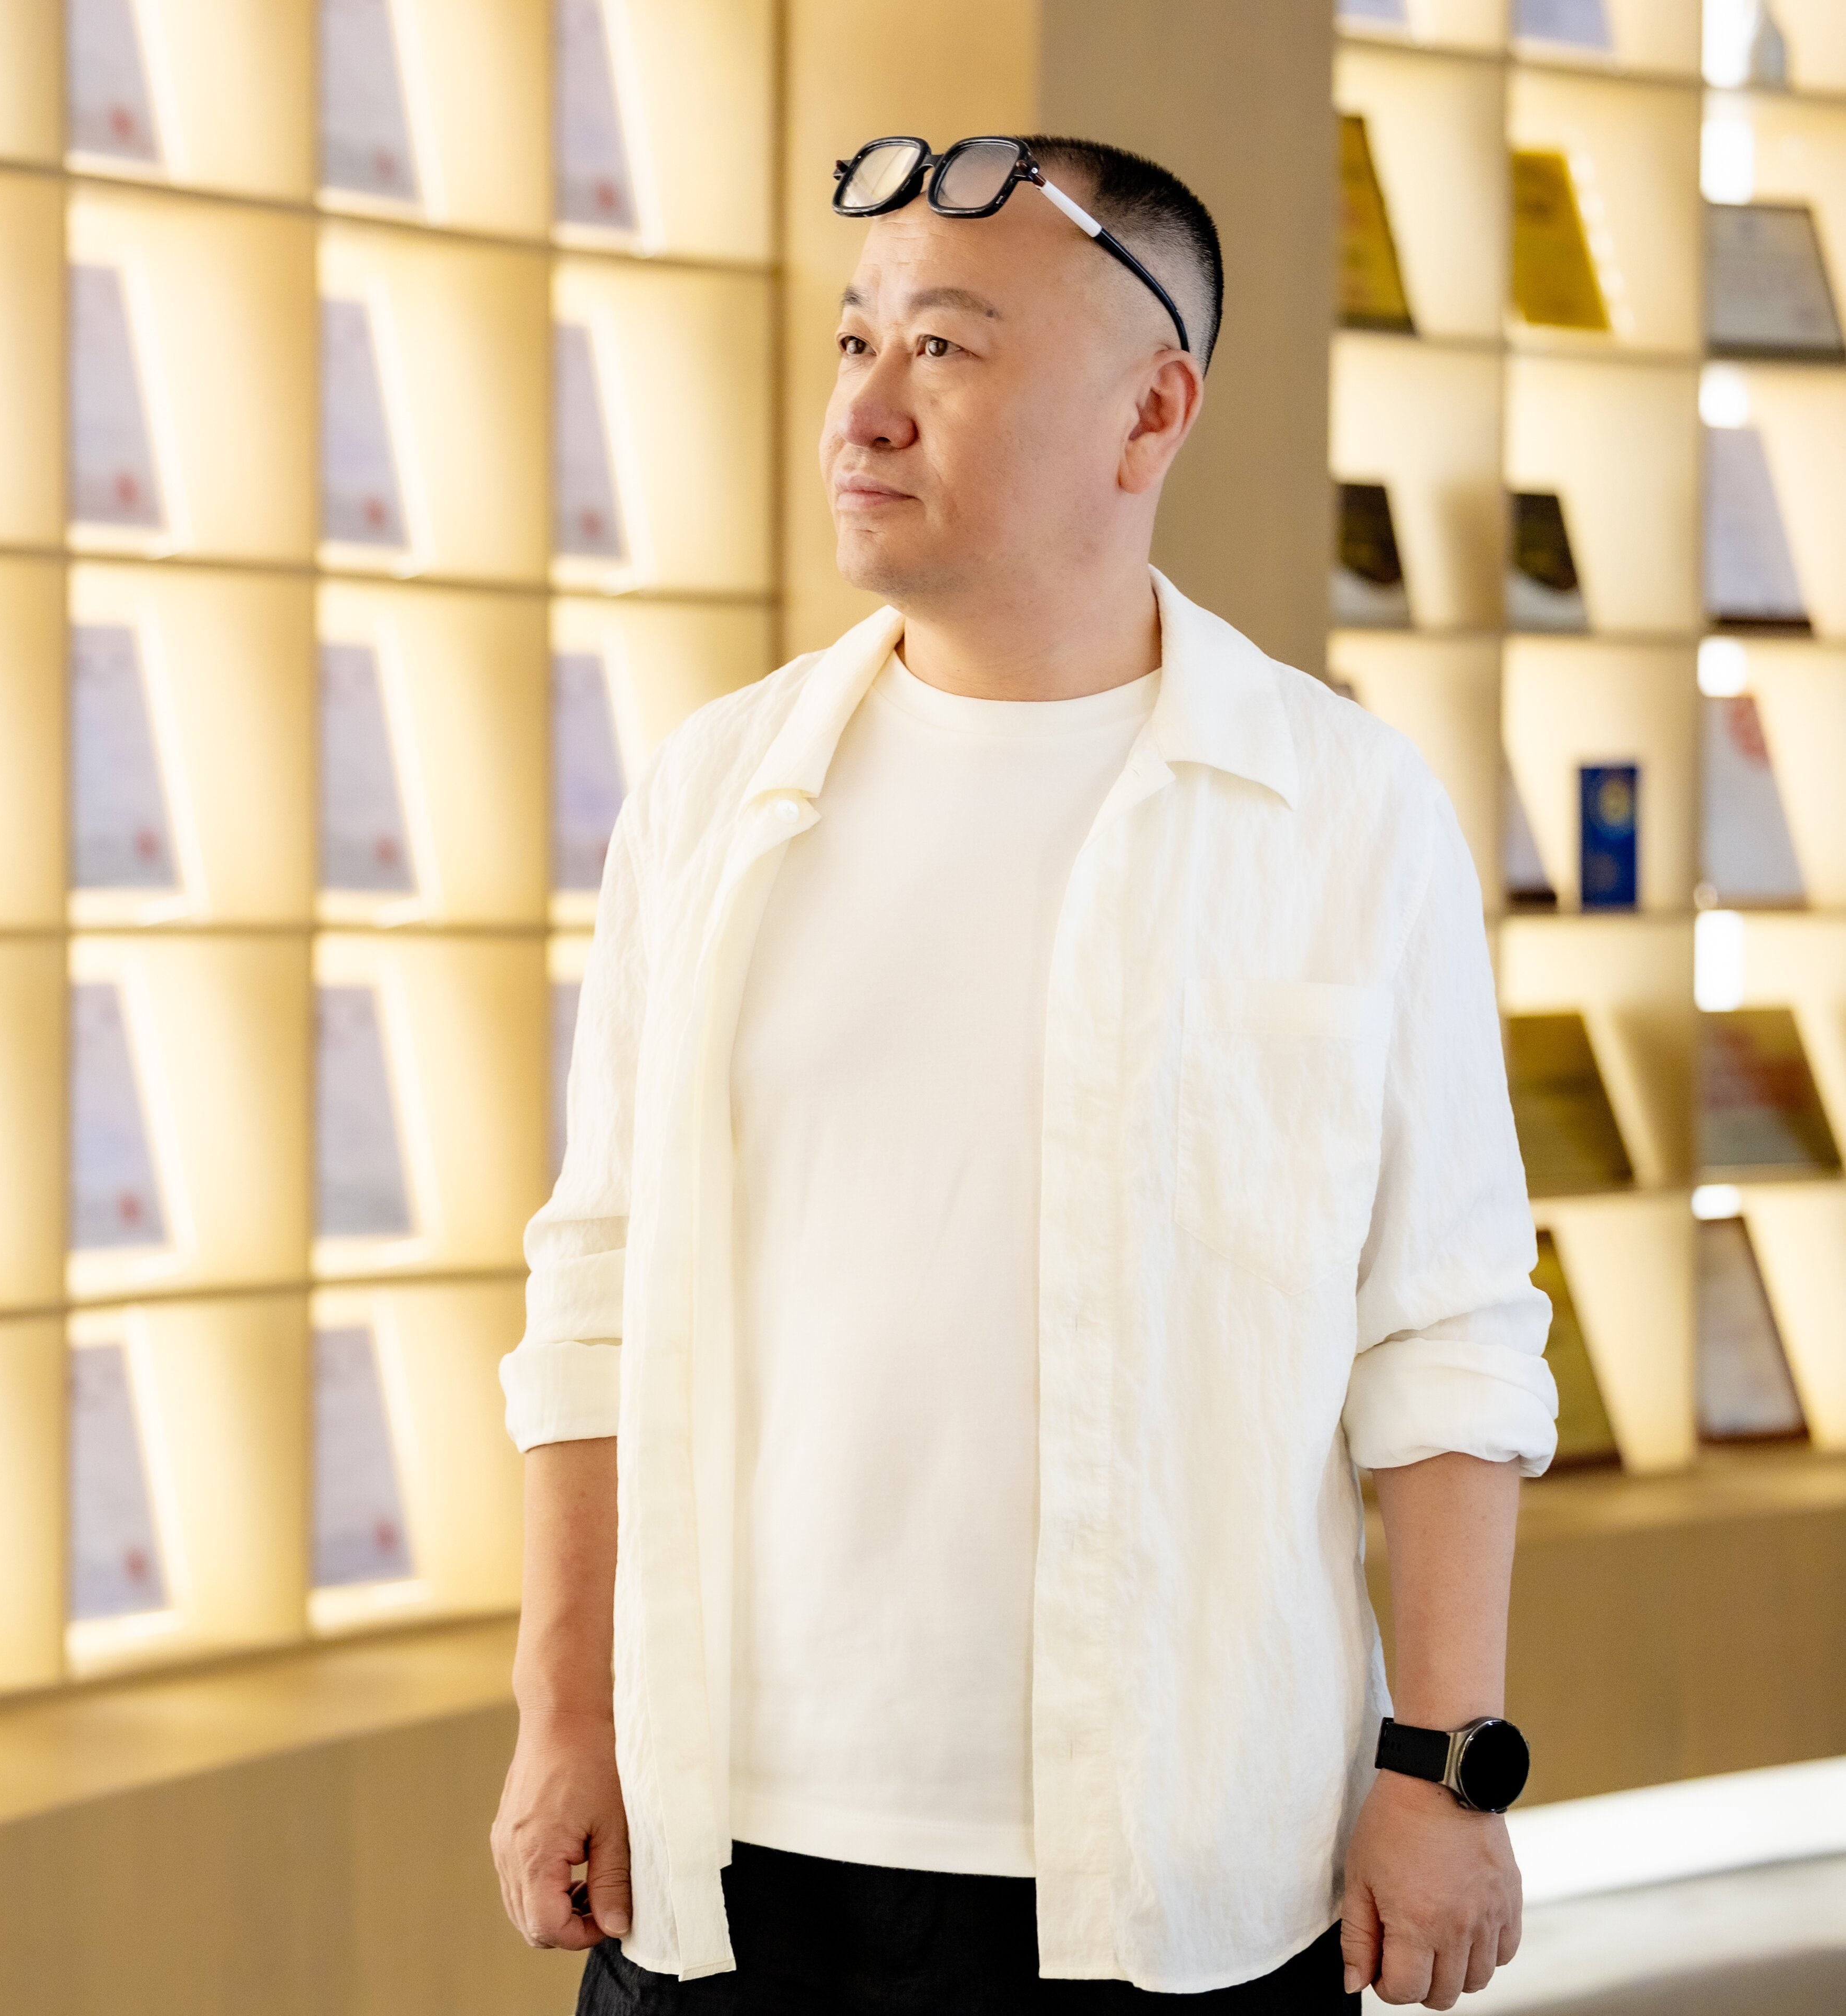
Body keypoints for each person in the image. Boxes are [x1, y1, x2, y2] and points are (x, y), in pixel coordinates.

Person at [488, 134, 1557, 2013]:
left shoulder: (1342, 814)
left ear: (1154, 411)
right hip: (727, 1853)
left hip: (1178, 1863)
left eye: (948, 350)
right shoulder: (717, 791)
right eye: (856, 341)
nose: (866, 408)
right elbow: (597, 1290)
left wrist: (1442, 1770)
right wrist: (562, 1713)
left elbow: (1449, 1334)